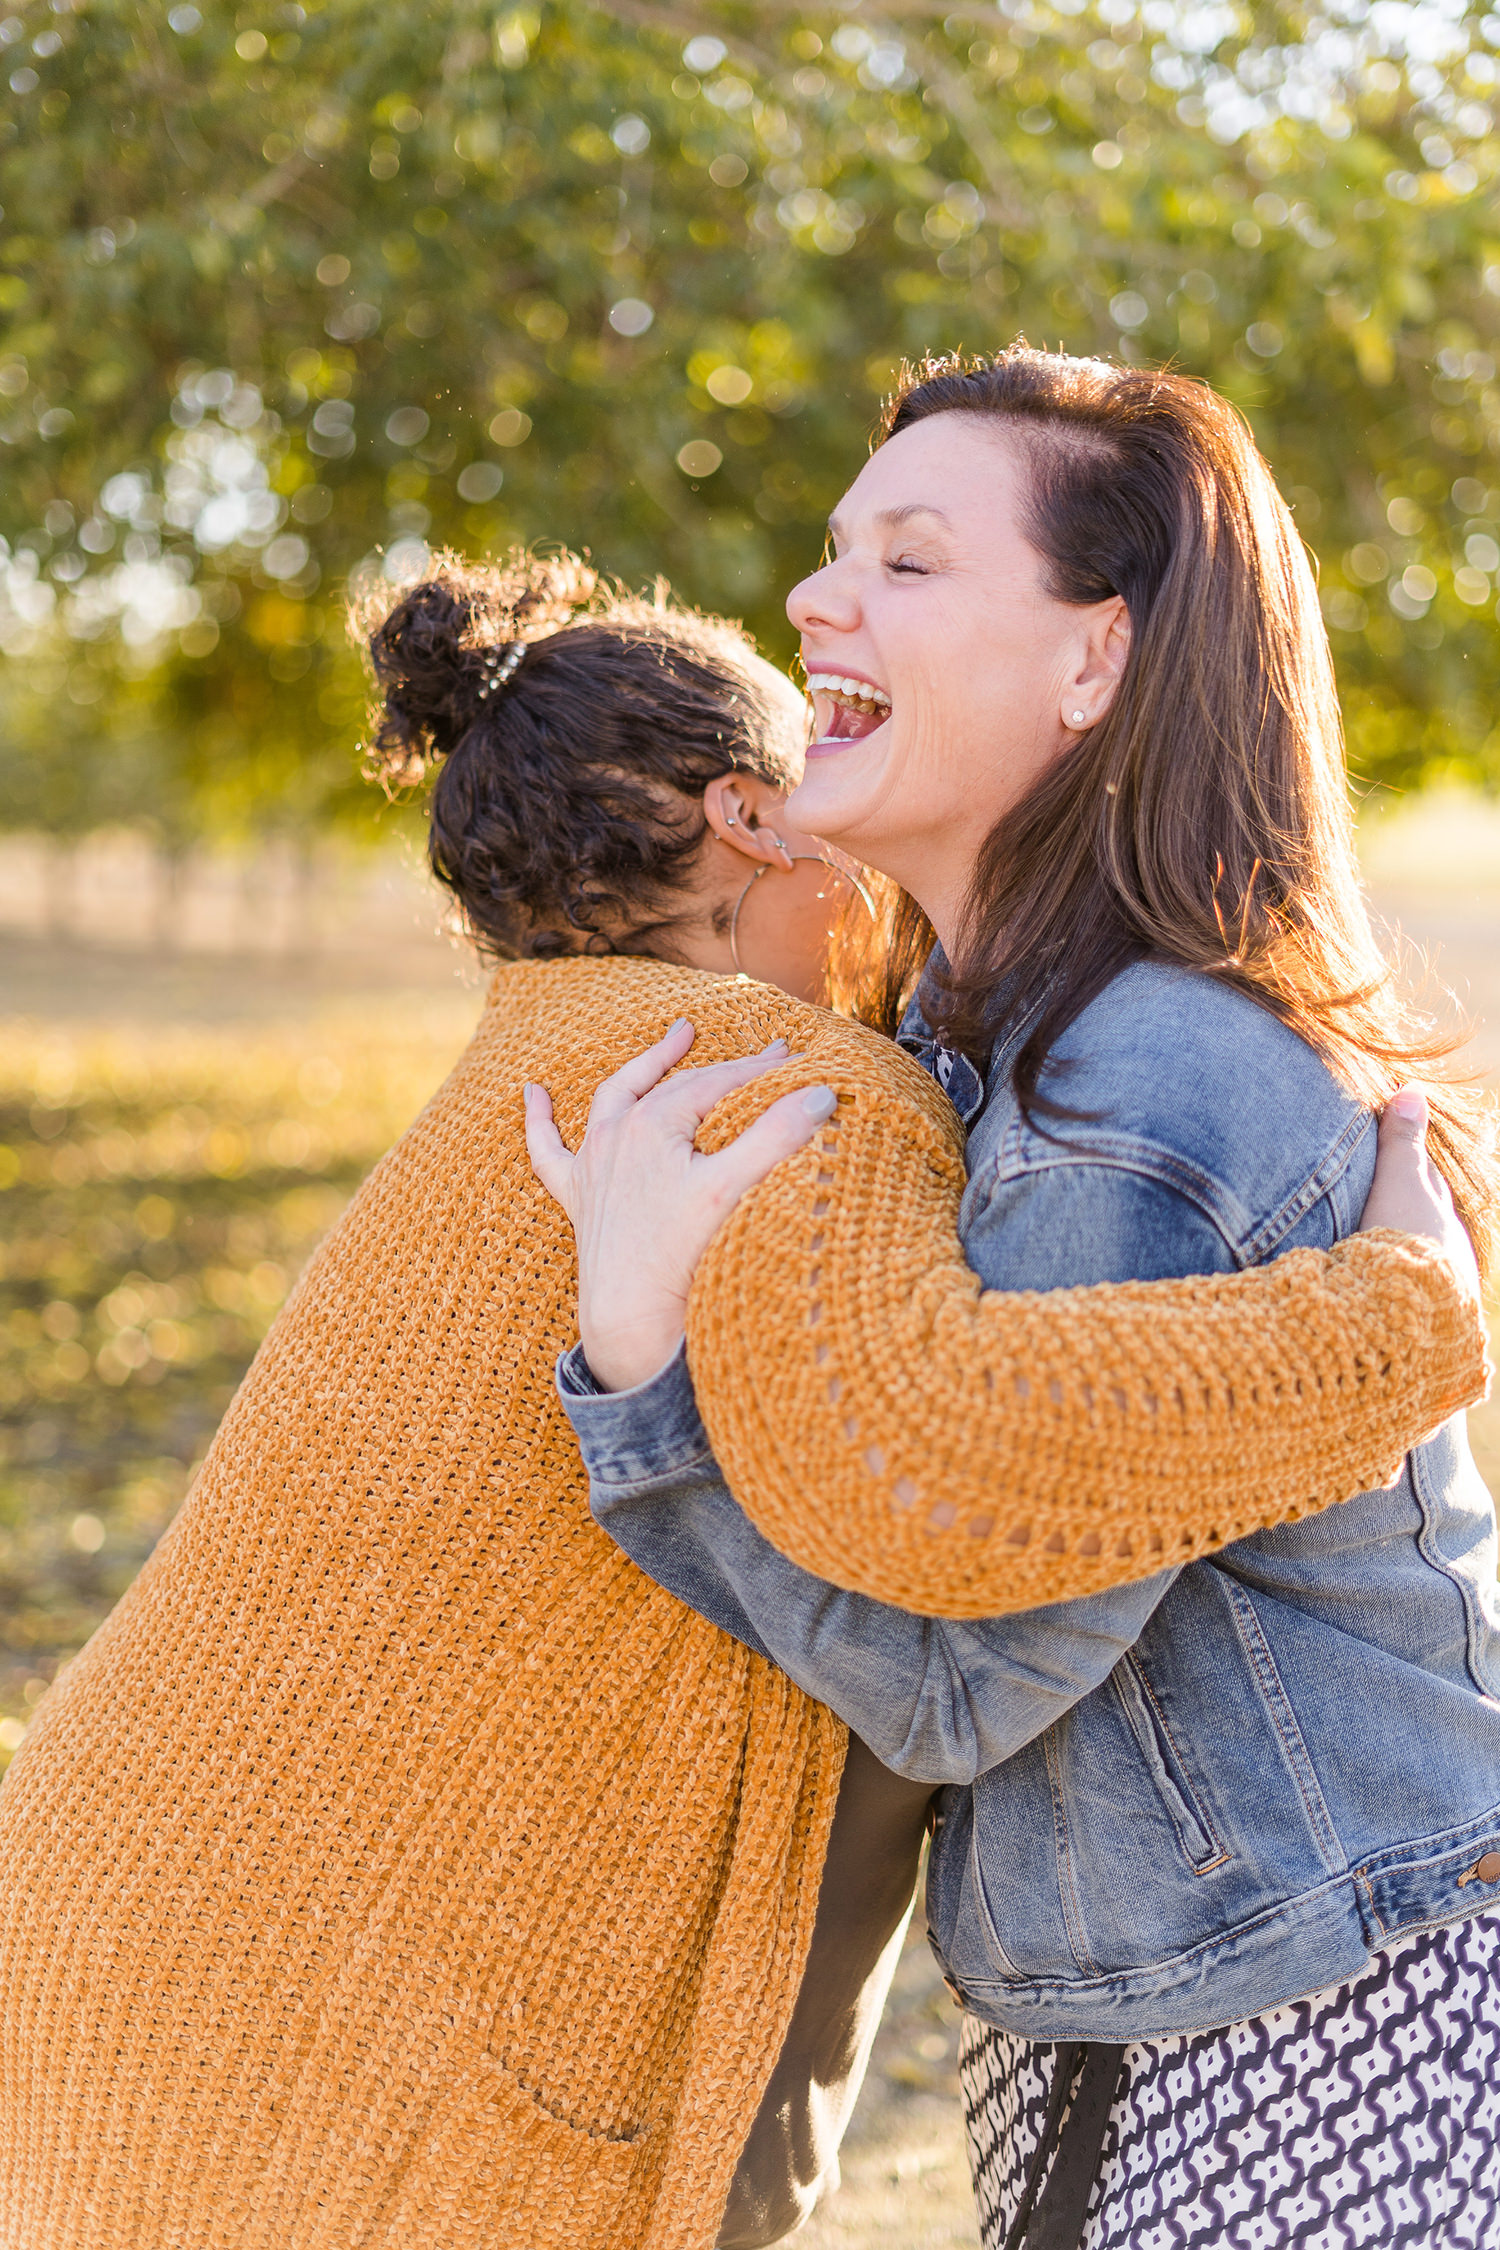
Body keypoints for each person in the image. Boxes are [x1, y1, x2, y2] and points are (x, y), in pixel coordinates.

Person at [0, 556, 1476, 2250]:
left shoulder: (533, 1069)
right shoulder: (783, 1090)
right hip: (359, 2036)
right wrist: (1393, 1320)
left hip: (106, 1910)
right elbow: (955, 1439)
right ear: (759, 821)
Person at [526, 350, 1500, 2249]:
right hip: (1170, 1994)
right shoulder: (989, 1049)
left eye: (907, 561)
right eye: (831, 555)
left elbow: (956, 1670)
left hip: (1322, 2015)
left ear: (1095, 662)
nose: (816, 601)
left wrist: (639, 1375)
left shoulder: (1134, 1098)